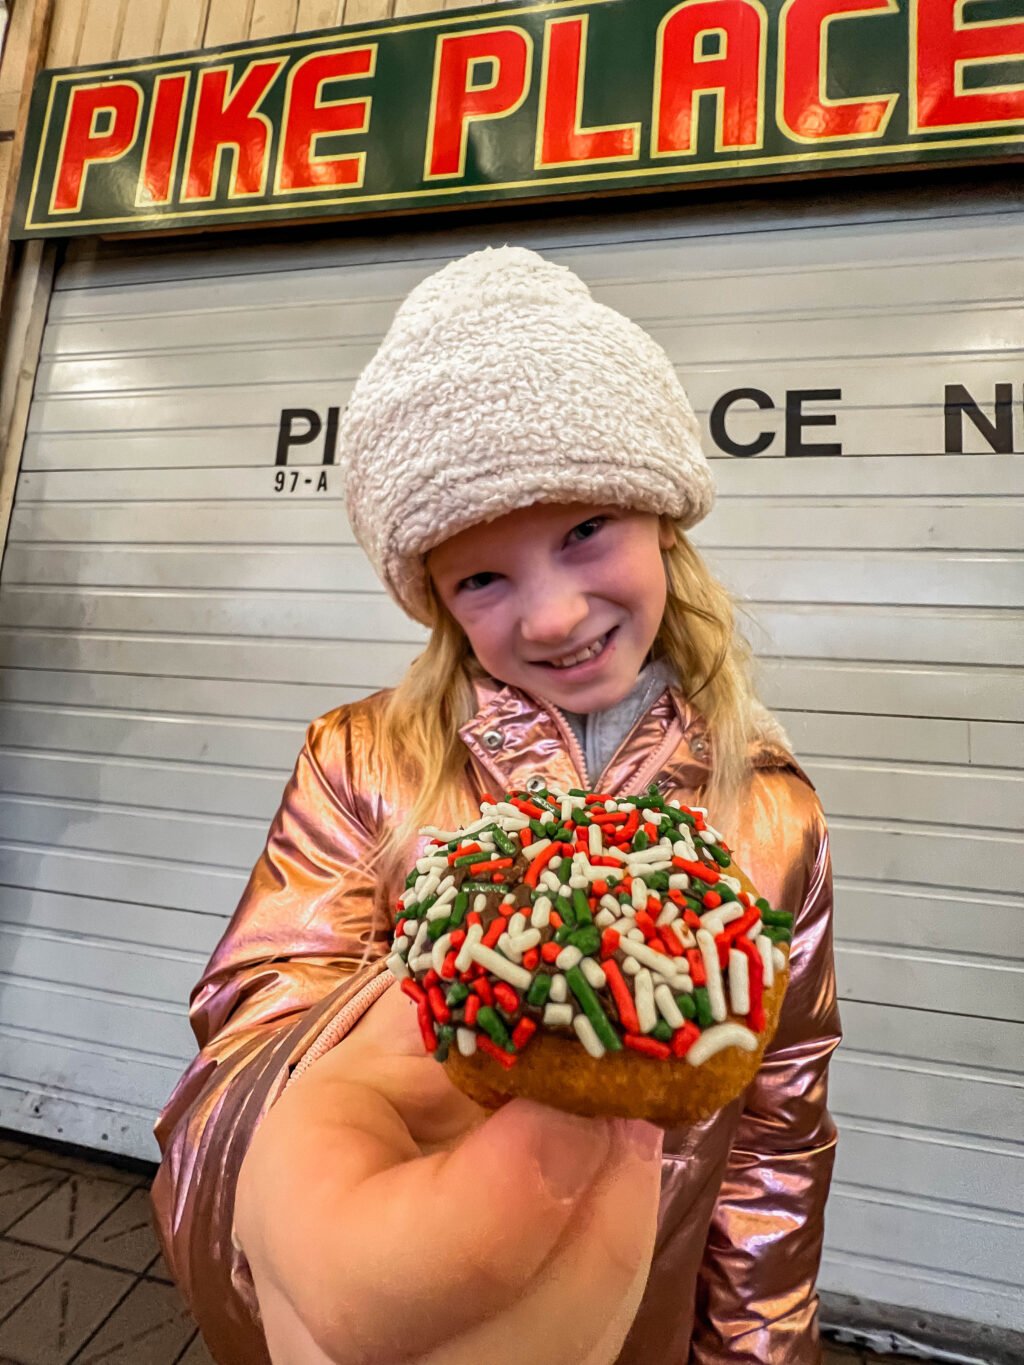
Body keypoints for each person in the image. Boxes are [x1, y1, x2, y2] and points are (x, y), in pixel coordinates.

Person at [152, 246, 841, 1364]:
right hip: (398, 1317)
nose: (556, 615)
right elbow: (250, 1016)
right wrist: (312, 1161)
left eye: (583, 533)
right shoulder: (359, 755)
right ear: (438, 604)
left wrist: (756, 1351)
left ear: (661, 516)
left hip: (640, 1330)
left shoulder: (770, 813)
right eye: (482, 577)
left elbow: (778, 1123)